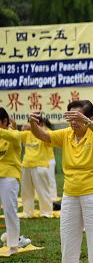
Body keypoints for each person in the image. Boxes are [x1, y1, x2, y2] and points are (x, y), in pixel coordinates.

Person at [29, 100, 93, 263]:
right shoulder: (66, 134)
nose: (73, 122)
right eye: (71, 117)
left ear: (89, 118)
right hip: (70, 194)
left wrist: (87, 122)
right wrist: (32, 123)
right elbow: (42, 135)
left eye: (77, 117)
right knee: (68, 239)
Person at [19, 119, 54, 218]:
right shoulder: (27, 134)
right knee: (26, 191)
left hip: (40, 165)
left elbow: (51, 135)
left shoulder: (46, 133)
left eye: (36, 123)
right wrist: (24, 128)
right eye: (31, 123)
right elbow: (15, 134)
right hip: (26, 164)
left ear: (41, 124)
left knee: (43, 190)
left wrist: (35, 128)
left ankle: (46, 212)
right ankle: (27, 211)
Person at [0, 108, 23, 255]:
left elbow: (13, 137)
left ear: (4, 121)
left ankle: (13, 246)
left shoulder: (14, 134)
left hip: (9, 176)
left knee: (10, 211)